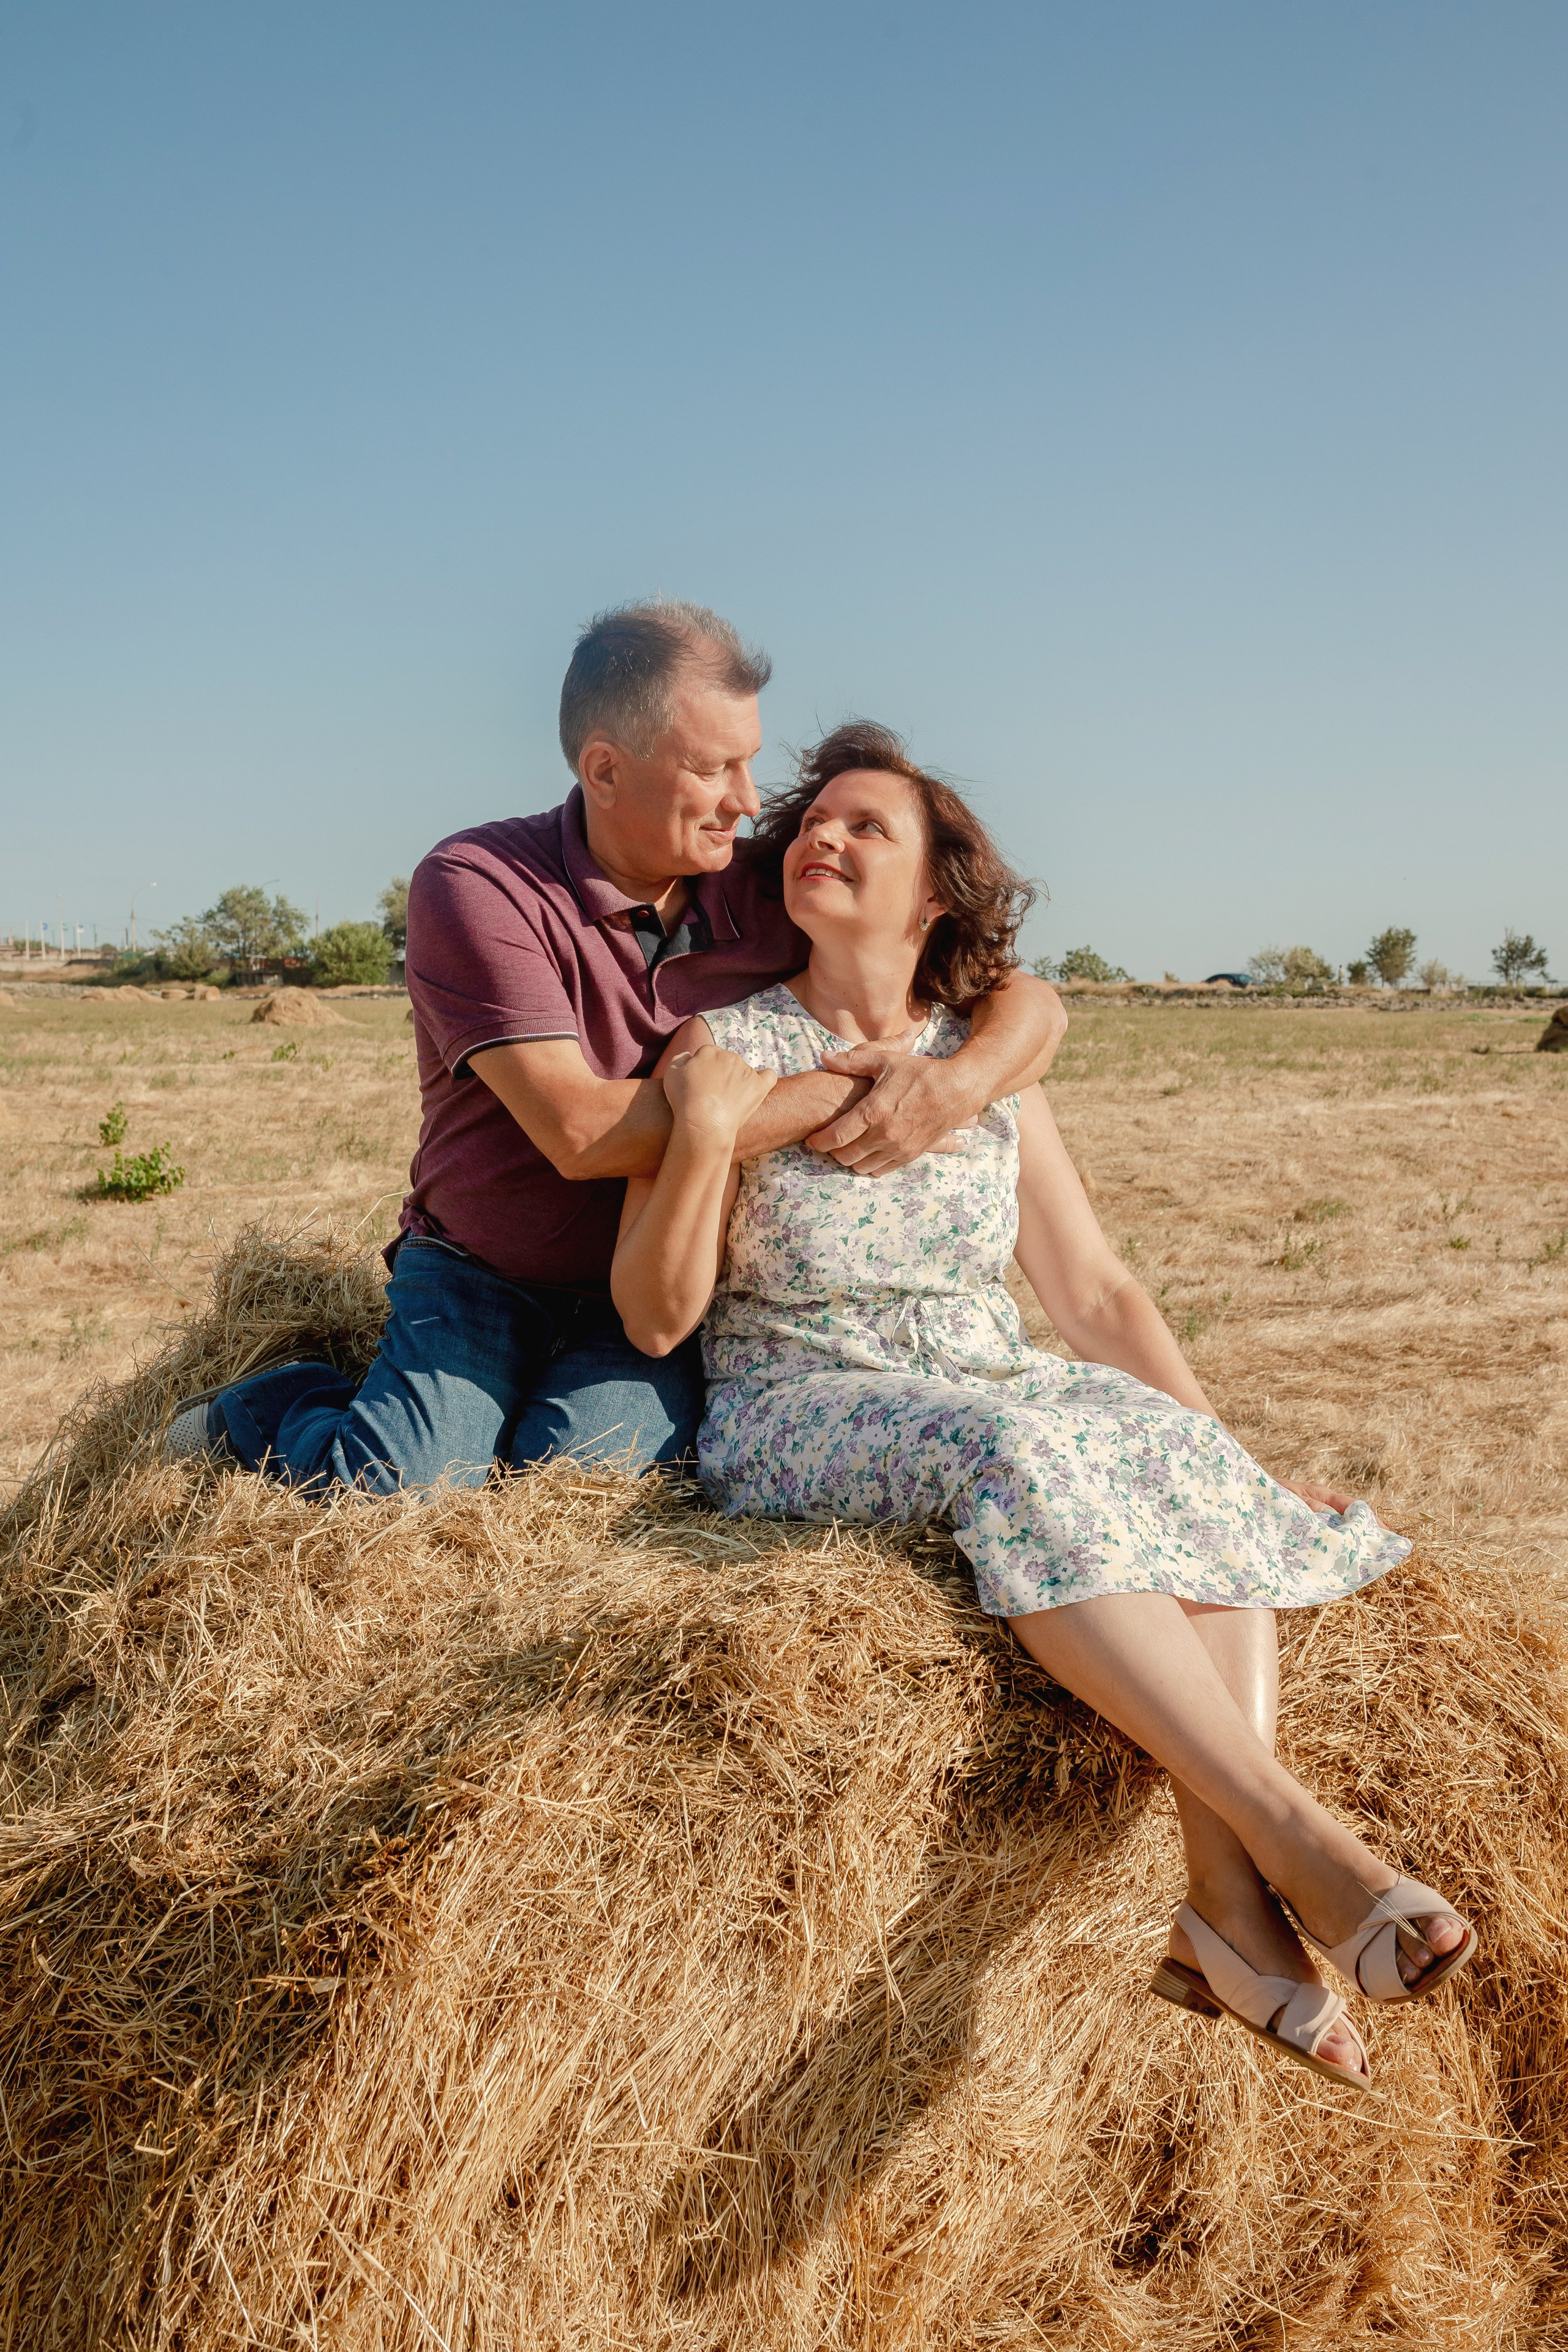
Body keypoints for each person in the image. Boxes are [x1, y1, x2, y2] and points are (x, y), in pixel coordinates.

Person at [608, 720, 1476, 2093]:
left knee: (1147, 1449)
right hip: (802, 1399)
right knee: (1016, 1443)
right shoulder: (726, 1049)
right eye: (812, 823)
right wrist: (709, 1130)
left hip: (981, 1374)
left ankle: (1224, 1916)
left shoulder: (982, 1063)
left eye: (865, 827)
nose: (821, 839)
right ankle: (1293, 1842)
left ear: (936, 891)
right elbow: (656, 1314)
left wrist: (1223, 1462)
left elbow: (1092, 1293)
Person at [167, 605, 1066, 1491]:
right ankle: (279, 1405)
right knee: (406, 1484)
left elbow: (1024, 1000)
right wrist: (851, 1094)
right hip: (483, 1269)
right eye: (715, 768)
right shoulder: (479, 884)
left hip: (654, 1294)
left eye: (749, 763)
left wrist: (952, 1084)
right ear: (604, 768)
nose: (750, 804)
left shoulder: (770, 883)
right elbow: (583, 1132)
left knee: (579, 1481)